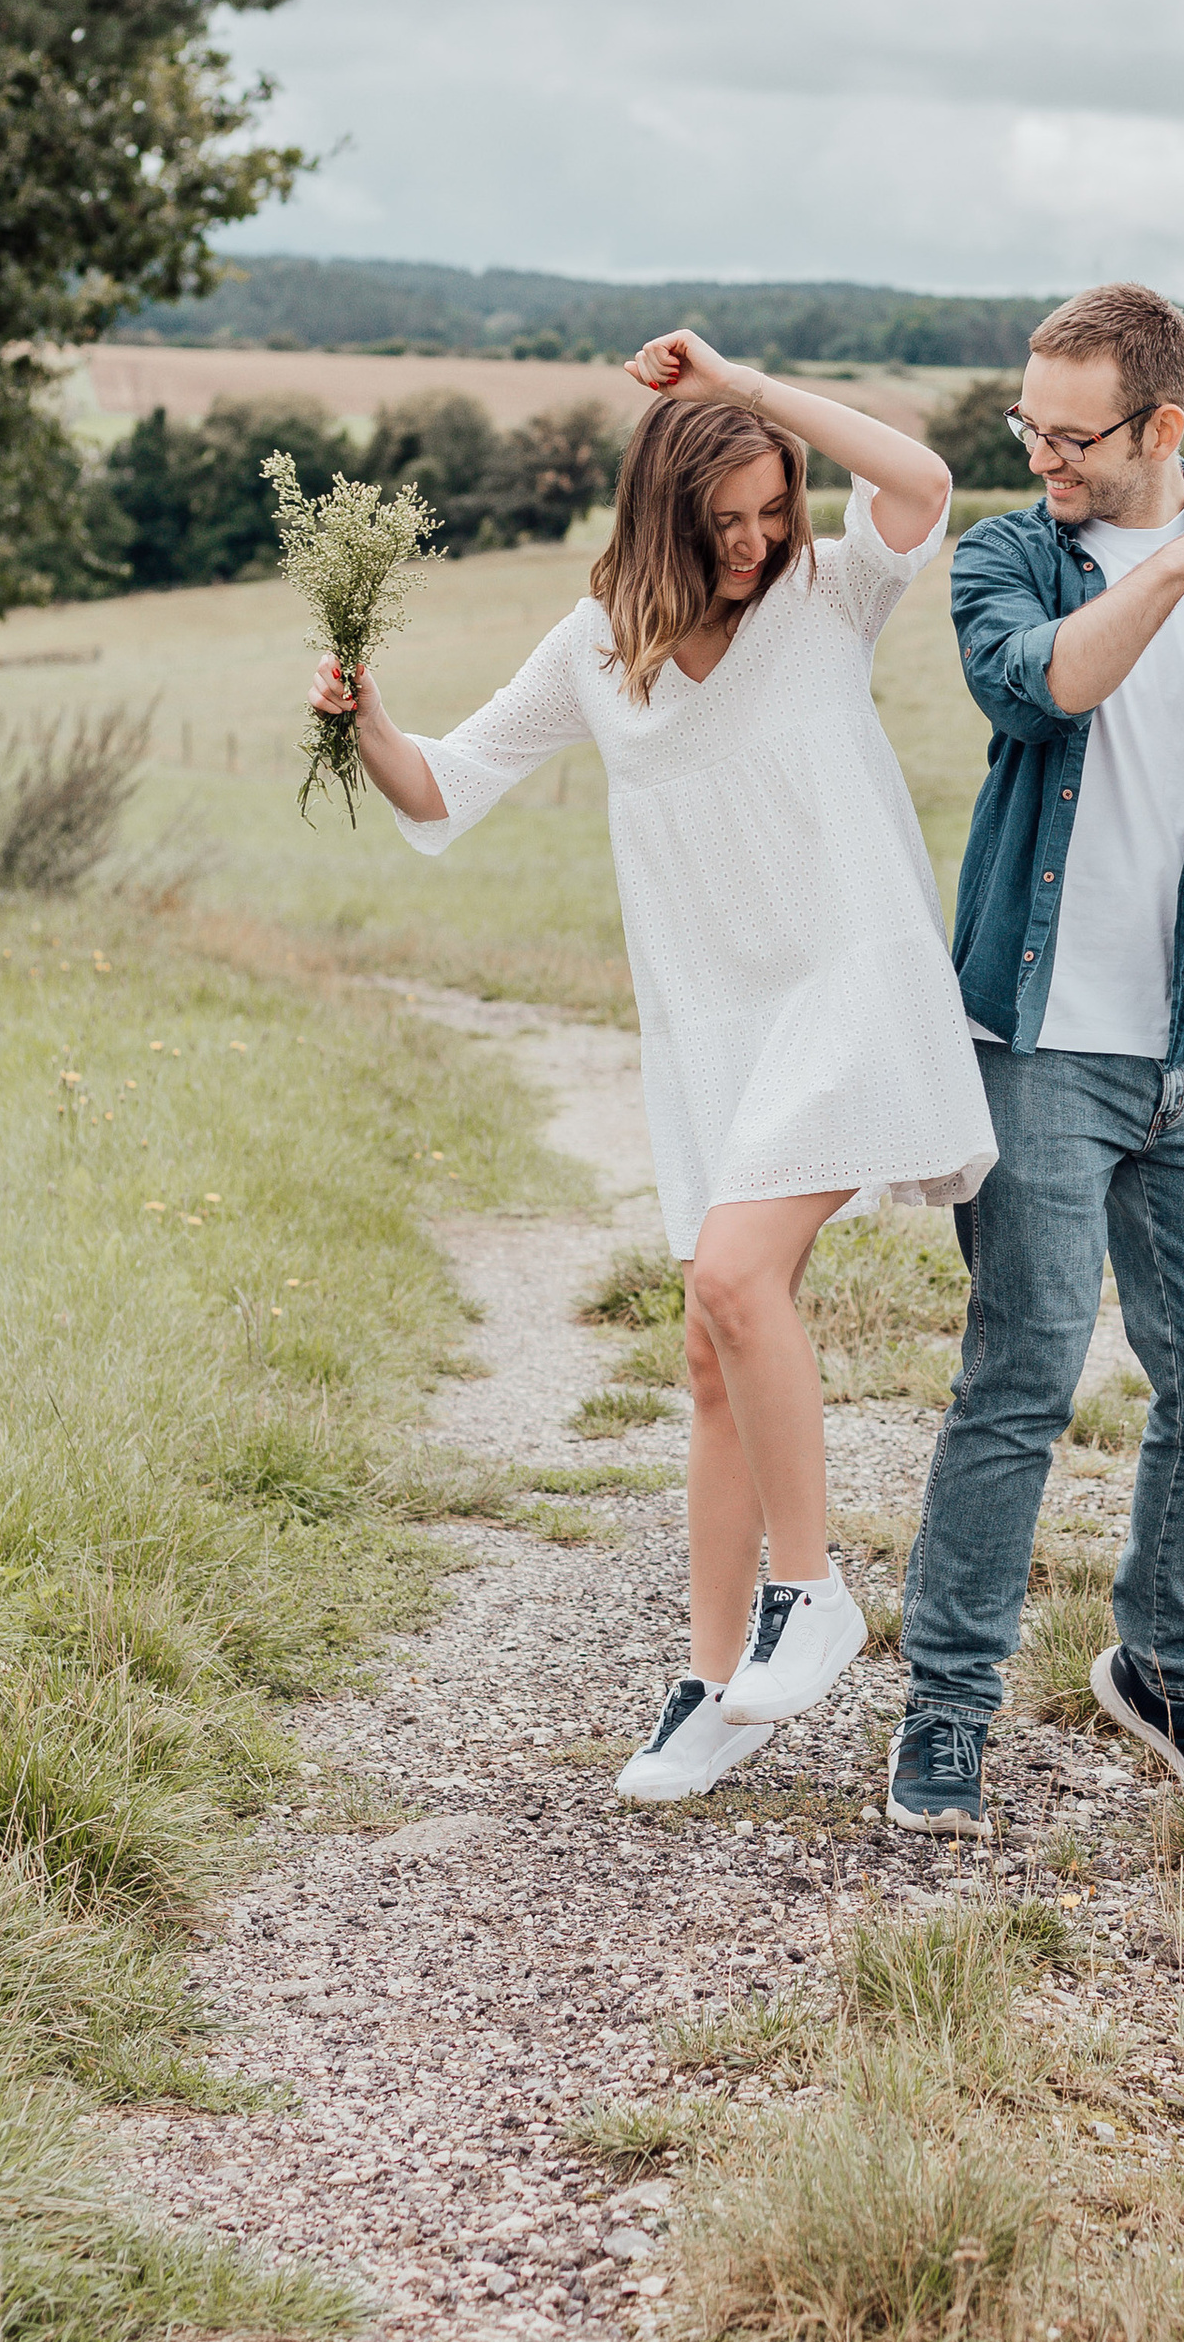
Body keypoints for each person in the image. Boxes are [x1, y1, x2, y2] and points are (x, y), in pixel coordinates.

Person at [307, 334, 993, 1805]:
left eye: (769, 507)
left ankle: (810, 1596)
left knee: (740, 1284)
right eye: (724, 521)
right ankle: (714, 1687)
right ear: (660, 523)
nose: (752, 542)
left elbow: (926, 477)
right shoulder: (596, 649)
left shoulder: (825, 593)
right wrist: (360, 713)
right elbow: (442, 782)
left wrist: (739, 384)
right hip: (723, 1029)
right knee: (706, 1342)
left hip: (851, 988)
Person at [888, 281, 1184, 1836]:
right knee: (1019, 1379)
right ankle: (947, 1709)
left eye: (1072, 432)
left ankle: (1169, 1672)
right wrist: (1176, 564)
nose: (1044, 453)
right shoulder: (1013, 553)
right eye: (1029, 422)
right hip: (1037, 1040)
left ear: (1163, 425)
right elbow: (1041, 686)